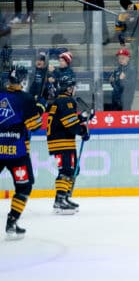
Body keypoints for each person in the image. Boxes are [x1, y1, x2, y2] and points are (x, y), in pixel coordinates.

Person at [0, 66, 43, 239]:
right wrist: (39, 107)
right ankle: (12, 222)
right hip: (17, 153)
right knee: (24, 187)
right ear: (23, 80)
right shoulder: (26, 99)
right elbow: (35, 126)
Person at [46, 75, 89, 214]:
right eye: (73, 87)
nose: (74, 89)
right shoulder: (66, 101)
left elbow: (67, 119)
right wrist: (82, 131)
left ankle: (63, 197)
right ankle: (59, 202)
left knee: (70, 170)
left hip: (61, 140)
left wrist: (82, 118)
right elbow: (70, 124)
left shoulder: (59, 100)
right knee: (66, 170)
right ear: (69, 88)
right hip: (62, 141)